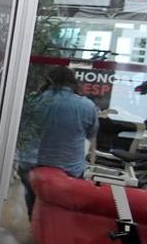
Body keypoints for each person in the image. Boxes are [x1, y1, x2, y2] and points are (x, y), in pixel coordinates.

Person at [17, 65, 99, 215]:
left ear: (48, 81)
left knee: (32, 195)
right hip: (68, 170)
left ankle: (33, 218)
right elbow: (91, 134)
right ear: (73, 83)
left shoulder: (32, 101)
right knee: (64, 203)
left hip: (30, 165)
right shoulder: (87, 106)